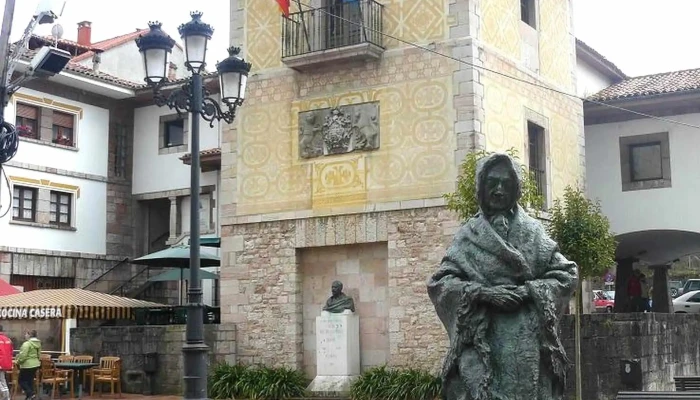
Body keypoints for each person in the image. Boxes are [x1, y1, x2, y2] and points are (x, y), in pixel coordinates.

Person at [428, 153, 577, 400]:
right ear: (481, 187)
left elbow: (567, 274)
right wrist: (485, 293)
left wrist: (528, 291)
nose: (498, 190)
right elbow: (441, 284)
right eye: (492, 183)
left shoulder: (533, 231)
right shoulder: (467, 236)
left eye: (505, 184)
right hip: (483, 340)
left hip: (527, 343)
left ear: (516, 189)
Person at [16, 330, 41, 400]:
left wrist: (19, 362)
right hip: (36, 364)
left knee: (21, 380)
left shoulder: (26, 344)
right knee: (30, 380)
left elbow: (23, 355)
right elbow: (39, 354)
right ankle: (29, 397)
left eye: (26, 334)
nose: (25, 335)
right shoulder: (38, 343)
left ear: (29, 335)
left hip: (27, 365)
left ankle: (31, 394)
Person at [0, 326, 13, 400]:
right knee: (2, 380)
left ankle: (6, 397)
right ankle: (6, 396)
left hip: (0, 362)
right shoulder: (8, 339)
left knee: (2, 380)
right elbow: (11, 352)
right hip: (6, 363)